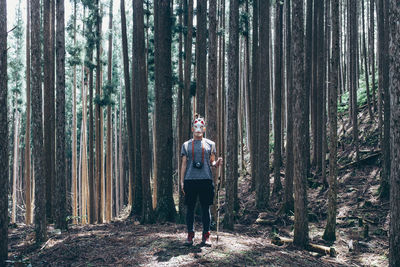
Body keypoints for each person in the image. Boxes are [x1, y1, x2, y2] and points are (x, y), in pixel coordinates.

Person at [180, 114, 223, 246]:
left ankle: (206, 236)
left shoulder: (211, 144)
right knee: (190, 209)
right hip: (190, 180)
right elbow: (184, 164)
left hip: (205, 179)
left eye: (201, 126)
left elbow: (212, 162)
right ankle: (190, 235)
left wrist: (217, 163)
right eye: (196, 126)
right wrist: (182, 181)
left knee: (206, 208)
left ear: (204, 129)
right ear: (192, 129)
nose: (198, 129)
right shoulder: (186, 145)